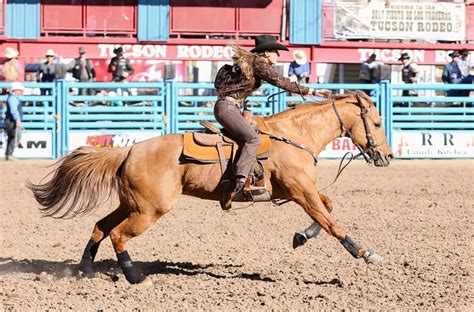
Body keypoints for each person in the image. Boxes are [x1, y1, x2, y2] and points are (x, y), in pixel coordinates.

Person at [213, 35, 330, 197]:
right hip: (228, 108)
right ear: (267, 53)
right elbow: (280, 81)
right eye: (276, 51)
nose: (278, 55)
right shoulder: (259, 63)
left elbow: (233, 88)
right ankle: (240, 179)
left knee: (254, 132)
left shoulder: (251, 63)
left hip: (228, 107)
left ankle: (250, 173)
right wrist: (312, 91)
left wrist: (243, 106)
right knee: (252, 139)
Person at [4, 82, 24, 161]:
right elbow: (14, 110)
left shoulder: (13, 98)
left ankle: (9, 154)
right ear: (16, 90)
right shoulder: (13, 98)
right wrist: (17, 119)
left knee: (12, 137)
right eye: (19, 90)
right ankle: (10, 154)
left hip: (11, 120)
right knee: (15, 136)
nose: (21, 92)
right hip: (12, 121)